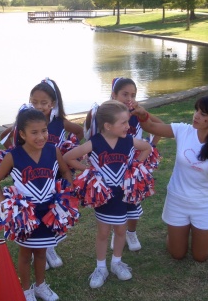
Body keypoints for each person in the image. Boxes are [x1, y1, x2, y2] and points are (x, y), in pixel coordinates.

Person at [64, 100, 152, 289]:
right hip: (105, 196)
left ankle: (117, 262)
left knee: (121, 230)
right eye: (124, 123)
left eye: (128, 122)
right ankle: (101, 267)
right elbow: (68, 157)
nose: (128, 127)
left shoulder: (128, 141)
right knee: (103, 232)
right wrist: (87, 169)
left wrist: (135, 167)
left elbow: (147, 148)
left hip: (124, 194)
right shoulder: (95, 142)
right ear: (108, 126)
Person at [141, 94, 208, 262]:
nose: (196, 116)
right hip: (177, 199)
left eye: (203, 114)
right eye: (196, 110)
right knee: (177, 254)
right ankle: (178, 234)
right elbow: (150, 127)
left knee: (200, 256)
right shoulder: (184, 130)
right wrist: (141, 114)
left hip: (203, 204)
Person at [0, 107, 74, 301]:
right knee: (25, 254)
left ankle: (41, 286)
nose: (41, 136)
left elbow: (65, 172)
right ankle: (26, 290)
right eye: (34, 132)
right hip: (26, 215)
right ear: (22, 134)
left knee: (42, 252)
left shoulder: (53, 151)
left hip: (48, 212)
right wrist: (6, 204)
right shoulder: (13, 156)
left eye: (44, 131)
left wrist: (67, 191)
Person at [0, 78, 83, 269]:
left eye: (43, 103)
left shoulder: (59, 122)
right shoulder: (27, 122)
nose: (38, 106)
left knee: (52, 212)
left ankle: (48, 247)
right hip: (31, 173)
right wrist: (17, 135)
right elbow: (5, 141)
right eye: (34, 102)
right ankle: (36, 245)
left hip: (54, 173)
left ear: (52, 104)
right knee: (36, 208)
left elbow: (79, 131)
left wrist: (67, 149)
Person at [109, 77, 164, 251]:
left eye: (132, 95)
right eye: (124, 94)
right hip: (113, 166)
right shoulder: (107, 116)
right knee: (115, 201)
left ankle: (131, 233)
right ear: (114, 95)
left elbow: (160, 126)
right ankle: (116, 232)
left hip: (134, 167)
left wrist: (151, 146)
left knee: (134, 200)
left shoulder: (137, 116)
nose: (129, 98)